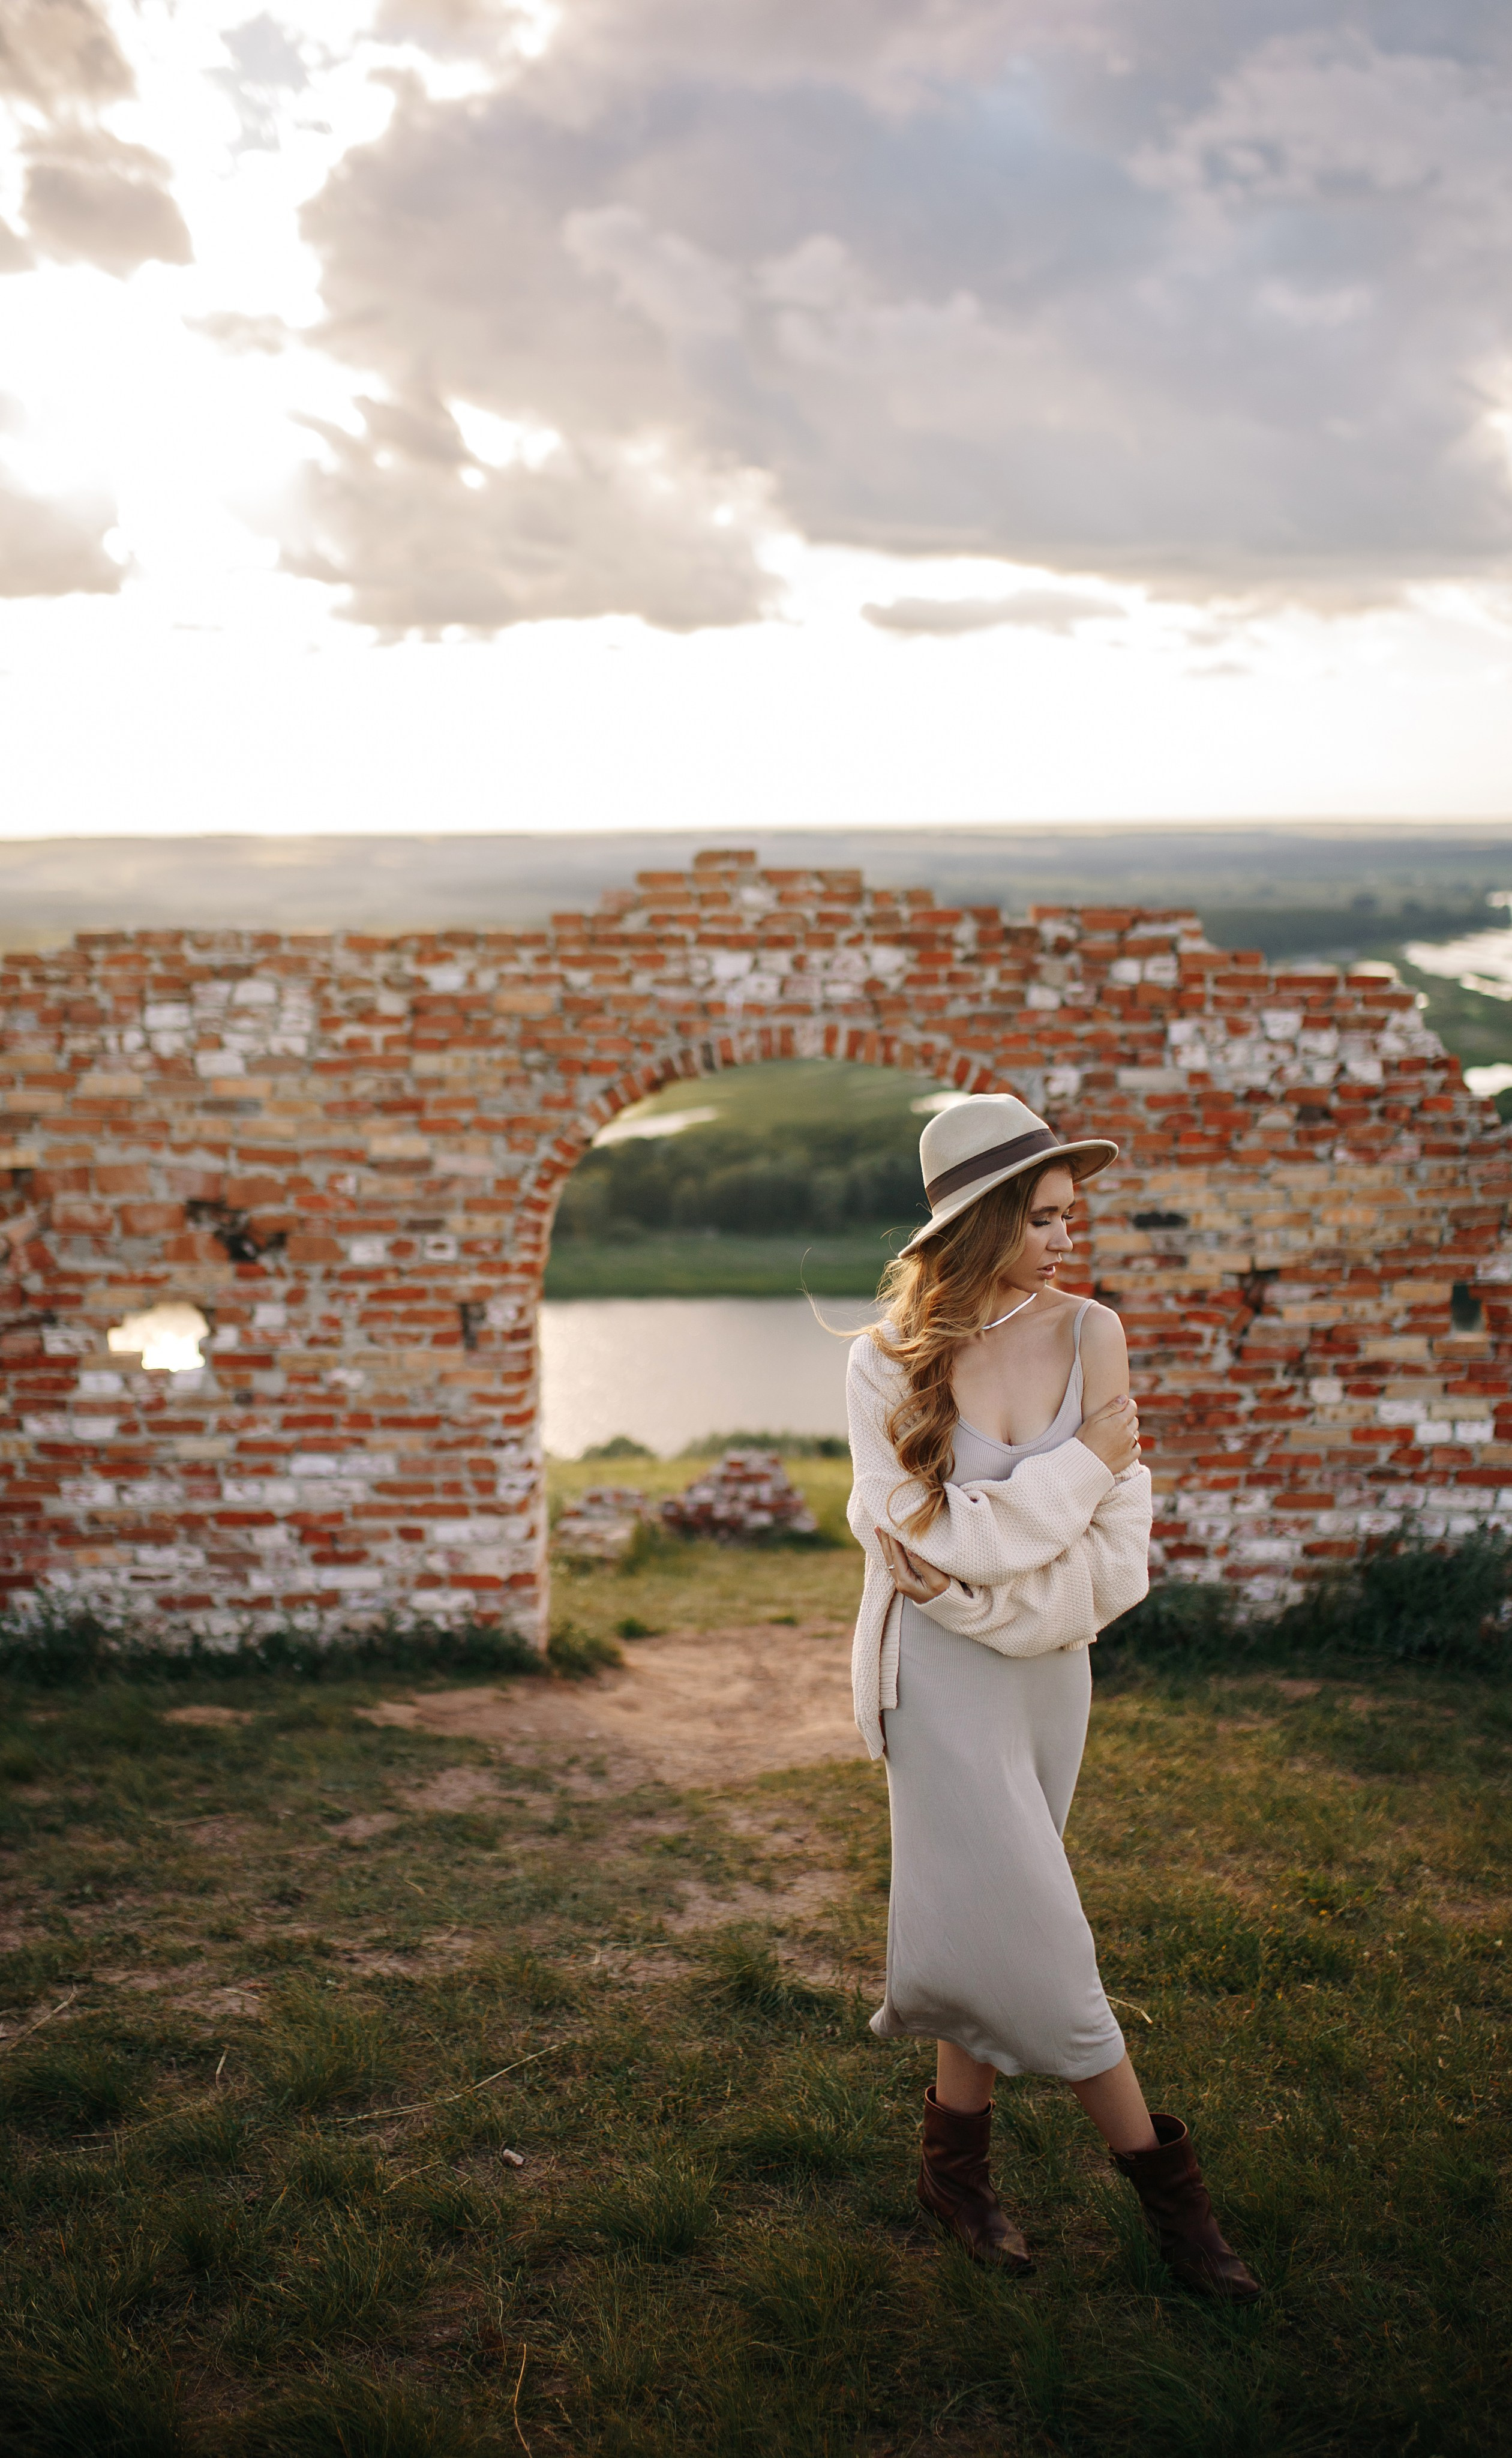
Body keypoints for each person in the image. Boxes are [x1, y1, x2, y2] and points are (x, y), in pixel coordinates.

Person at [845, 1092, 1259, 2301]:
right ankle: (1179, 2209)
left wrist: (985, 1580)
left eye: (1072, 1215)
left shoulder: (1093, 1334)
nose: (1065, 1239)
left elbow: (1115, 1557)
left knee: (991, 1910)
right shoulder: (880, 1363)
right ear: (977, 1224)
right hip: (936, 1687)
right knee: (1046, 1936)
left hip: (1047, 1675)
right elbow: (910, 1529)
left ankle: (952, 2172)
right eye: (1040, 1218)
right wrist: (1079, 1470)